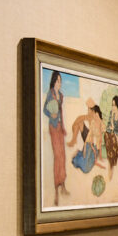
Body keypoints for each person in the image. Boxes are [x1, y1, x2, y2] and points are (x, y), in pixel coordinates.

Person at [44, 70, 66, 204]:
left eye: (60, 81)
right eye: (58, 81)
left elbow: (61, 112)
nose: (59, 83)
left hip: (59, 127)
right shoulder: (50, 93)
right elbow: (44, 109)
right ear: (54, 81)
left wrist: (63, 126)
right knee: (57, 156)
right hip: (53, 127)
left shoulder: (61, 96)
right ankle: (56, 190)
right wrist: (50, 115)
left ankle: (63, 184)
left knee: (62, 156)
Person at [103, 95, 118, 175]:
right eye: (112, 105)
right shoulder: (111, 113)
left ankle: (113, 162)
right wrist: (110, 126)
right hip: (111, 136)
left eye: (114, 105)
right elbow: (109, 127)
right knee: (106, 134)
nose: (113, 107)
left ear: (117, 105)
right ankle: (111, 160)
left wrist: (114, 130)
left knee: (113, 137)